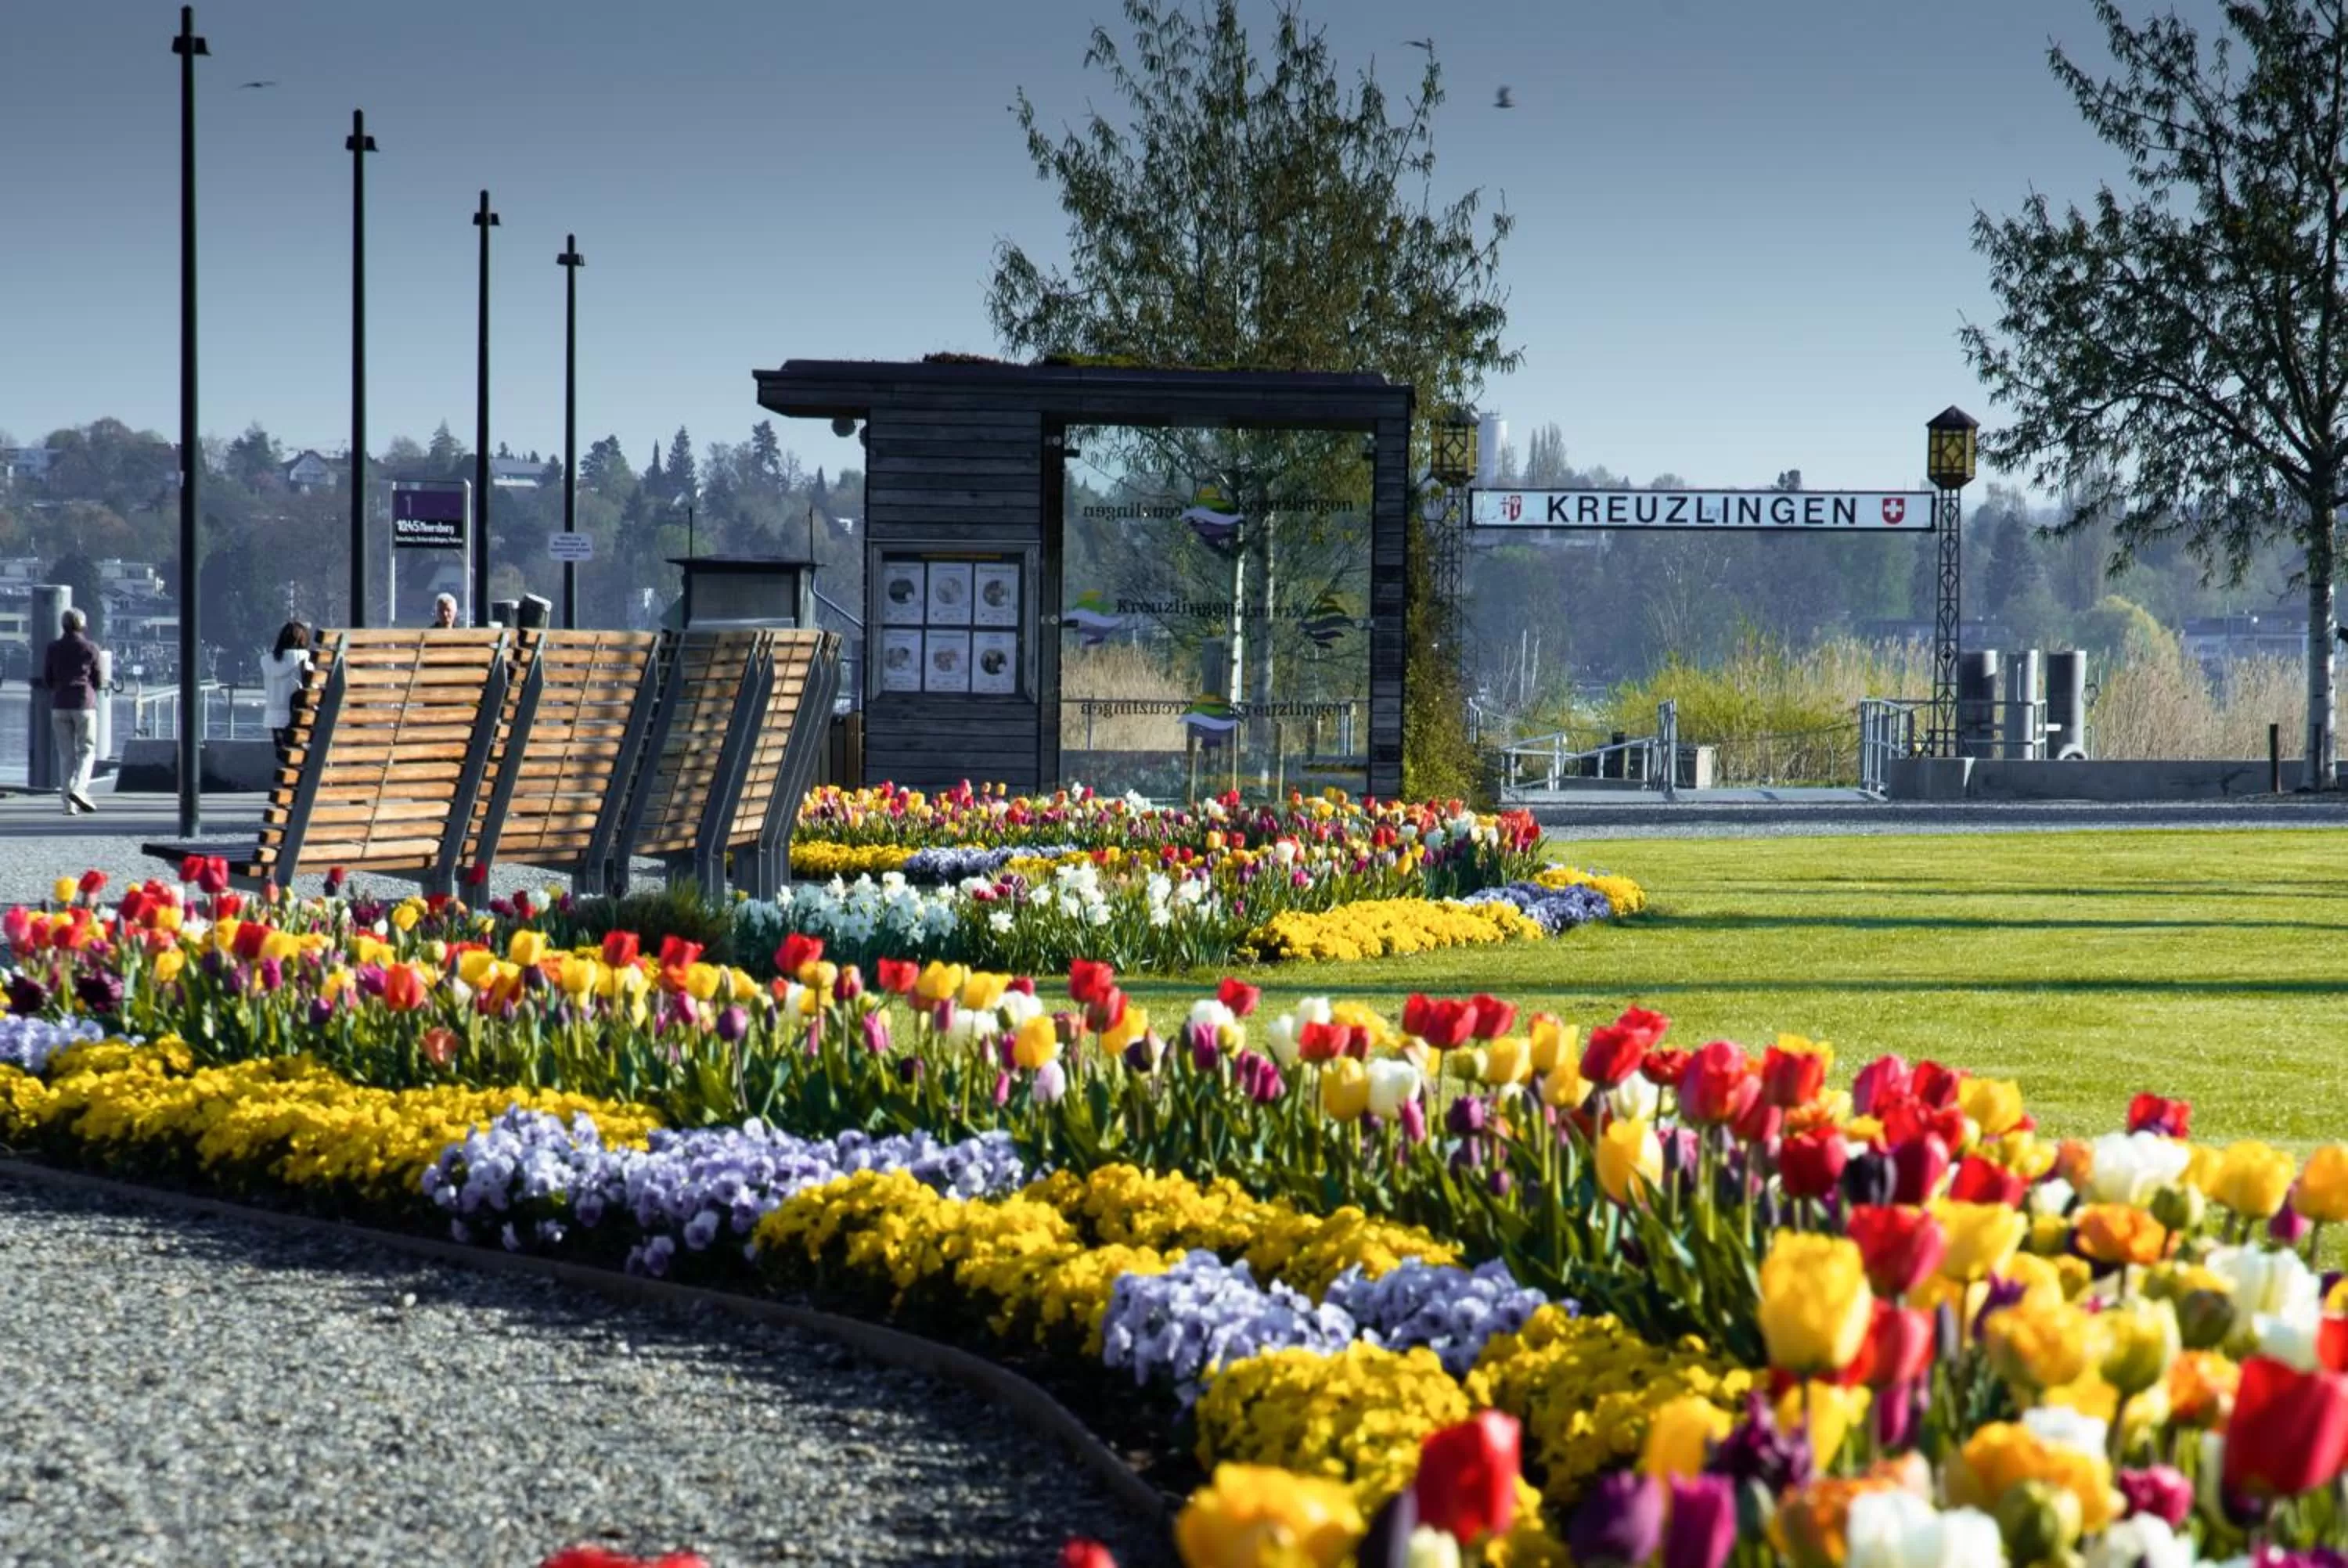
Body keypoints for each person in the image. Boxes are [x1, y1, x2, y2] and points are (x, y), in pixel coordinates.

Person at [39, 609, 101, 815]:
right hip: (84, 704)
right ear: (82, 625)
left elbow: (47, 678)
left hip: (60, 704)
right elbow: (98, 680)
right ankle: (80, 789)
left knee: (66, 755)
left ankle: (68, 805)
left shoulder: (53, 648)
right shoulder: (91, 648)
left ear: (63, 625)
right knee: (87, 750)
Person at [261, 620, 313, 755]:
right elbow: (314, 690)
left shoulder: (267, 661)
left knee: (287, 758)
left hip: (274, 719)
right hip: (297, 719)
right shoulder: (304, 660)